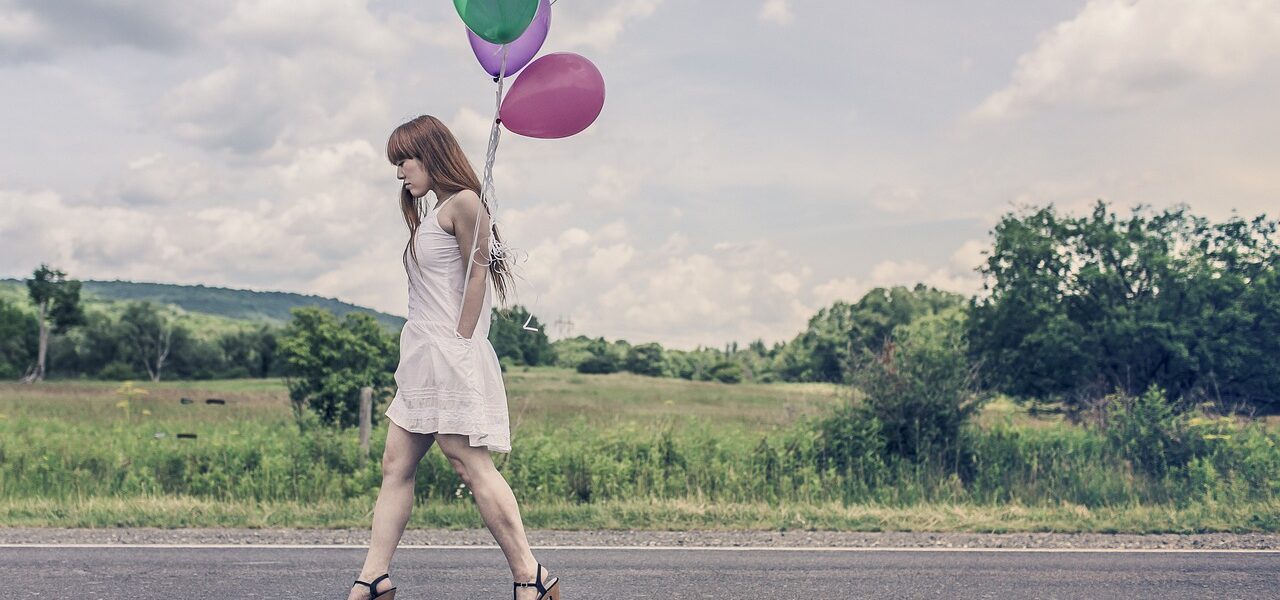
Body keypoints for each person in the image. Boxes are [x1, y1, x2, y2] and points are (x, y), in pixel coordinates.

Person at [347, 115, 560, 600]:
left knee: (469, 464)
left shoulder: (465, 202)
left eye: (404, 160)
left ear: (430, 153)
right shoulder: (435, 211)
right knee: (395, 465)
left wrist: (461, 345)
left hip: (449, 355)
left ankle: (531, 575)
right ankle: (375, 577)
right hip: (422, 358)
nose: (399, 172)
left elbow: (478, 276)